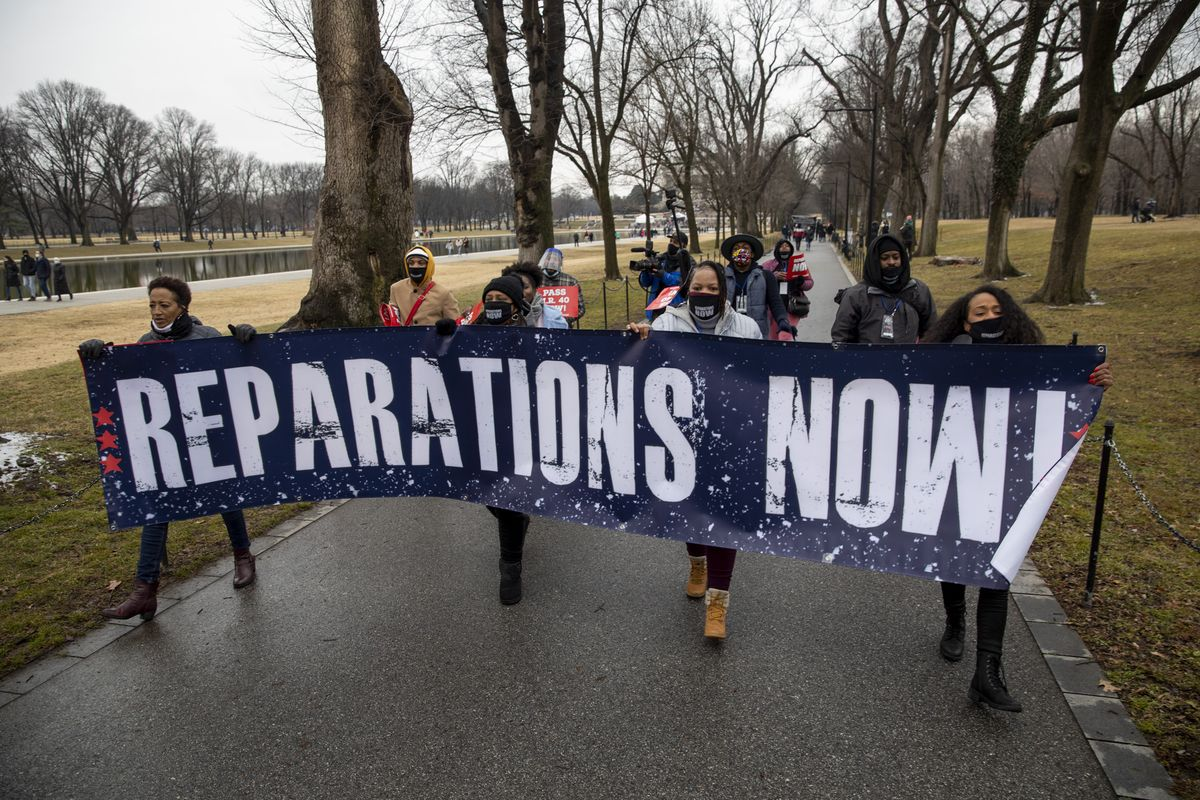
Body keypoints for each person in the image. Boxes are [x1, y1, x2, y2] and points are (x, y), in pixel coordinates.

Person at [921, 285, 1114, 712]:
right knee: (952, 552)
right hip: (954, 467)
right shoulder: (945, 356)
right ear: (963, 322)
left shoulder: (1033, 362)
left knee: (998, 563)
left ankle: (988, 670)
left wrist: (1092, 381)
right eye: (979, 312)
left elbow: (1063, 397)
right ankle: (955, 621)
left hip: (1007, 475)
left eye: (996, 309)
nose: (989, 316)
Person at [78, 276, 260, 621]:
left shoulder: (206, 337)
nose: (157, 312)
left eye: (165, 305)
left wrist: (244, 340)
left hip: (208, 434)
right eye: (152, 305)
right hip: (169, 441)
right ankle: (144, 591)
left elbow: (236, 373)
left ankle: (243, 556)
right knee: (158, 508)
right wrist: (98, 353)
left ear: (183, 307)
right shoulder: (146, 342)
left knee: (225, 497)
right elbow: (128, 385)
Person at [626, 261, 761, 639]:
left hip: (729, 436)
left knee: (723, 515)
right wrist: (638, 336)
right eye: (697, 287)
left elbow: (761, 378)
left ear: (724, 292)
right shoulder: (667, 323)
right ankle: (697, 564)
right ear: (687, 289)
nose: (704, 293)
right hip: (682, 436)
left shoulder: (746, 327)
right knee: (690, 507)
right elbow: (646, 359)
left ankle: (718, 602)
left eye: (712, 288)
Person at [466, 275, 536, 604]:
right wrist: (440, 338)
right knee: (490, 496)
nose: (493, 302)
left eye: (501, 298)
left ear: (515, 306)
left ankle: (510, 567)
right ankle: (518, 521)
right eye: (488, 296)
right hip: (480, 430)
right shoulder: (470, 331)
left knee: (507, 499)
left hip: (519, 431)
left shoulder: (530, 334)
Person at [830, 232, 935, 344]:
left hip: (908, 359)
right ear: (875, 261)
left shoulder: (918, 290)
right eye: (885, 258)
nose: (891, 262)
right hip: (867, 359)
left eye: (896, 257)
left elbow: (932, 331)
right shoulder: (856, 296)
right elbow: (842, 337)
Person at [721, 234, 795, 340]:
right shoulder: (721, 276)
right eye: (736, 249)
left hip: (757, 332)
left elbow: (776, 302)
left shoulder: (766, 276)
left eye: (745, 248)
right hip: (728, 331)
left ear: (752, 253)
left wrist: (783, 320)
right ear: (732, 254)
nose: (740, 251)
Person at [387, 244, 460, 326]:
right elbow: (393, 321)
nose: (415, 266)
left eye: (421, 263)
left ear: (429, 266)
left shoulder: (444, 293)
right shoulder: (396, 289)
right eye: (411, 263)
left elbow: (456, 326)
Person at [637, 231, 692, 320]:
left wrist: (663, 275)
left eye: (675, 242)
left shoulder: (688, 262)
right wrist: (645, 271)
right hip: (655, 310)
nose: (671, 244)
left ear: (684, 246)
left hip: (675, 311)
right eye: (670, 241)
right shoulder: (660, 259)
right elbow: (646, 283)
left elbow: (682, 283)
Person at [501, 261, 568, 329]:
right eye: (514, 287)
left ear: (535, 289)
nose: (520, 292)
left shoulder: (554, 318)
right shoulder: (496, 315)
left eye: (525, 287)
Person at [765, 238, 813, 327]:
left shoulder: (798, 264)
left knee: (788, 332)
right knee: (774, 332)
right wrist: (773, 277)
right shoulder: (768, 264)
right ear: (777, 249)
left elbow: (809, 283)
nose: (784, 248)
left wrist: (801, 282)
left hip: (793, 304)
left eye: (787, 246)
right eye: (781, 246)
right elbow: (760, 281)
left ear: (791, 249)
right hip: (773, 304)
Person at [539, 247, 585, 326]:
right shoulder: (535, 280)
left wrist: (562, 320)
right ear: (544, 260)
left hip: (564, 327)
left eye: (555, 259)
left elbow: (580, 309)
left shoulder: (571, 282)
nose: (551, 262)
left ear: (560, 263)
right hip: (540, 326)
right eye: (548, 259)